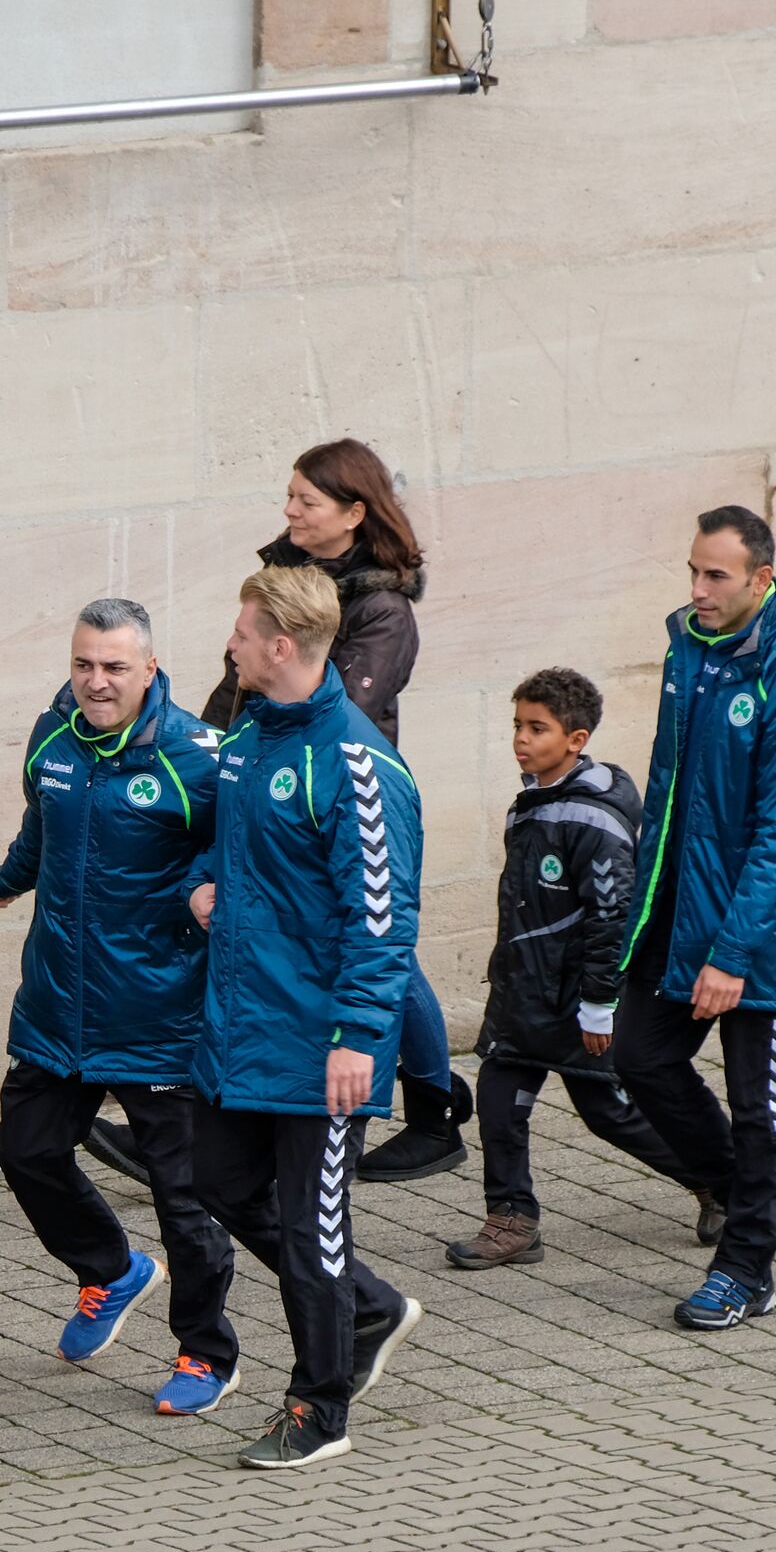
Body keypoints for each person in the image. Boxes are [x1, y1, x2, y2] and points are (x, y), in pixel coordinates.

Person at [92, 439, 474, 1184]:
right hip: (256, 771)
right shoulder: (283, 574)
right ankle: (200, 1118)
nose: (290, 510)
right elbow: (237, 682)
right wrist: (208, 751)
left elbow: (328, 706)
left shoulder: (381, 609)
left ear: (353, 513)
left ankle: (433, 1111)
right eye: (290, 495)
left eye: (307, 499)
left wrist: (254, 762)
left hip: (321, 797)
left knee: (378, 943)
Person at [0, 599, 242, 1414]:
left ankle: (206, 1354)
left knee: (183, 1200)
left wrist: (198, 896)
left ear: (149, 669)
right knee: (26, 1152)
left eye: (114, 667)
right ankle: (110, 1270)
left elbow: (236, 854)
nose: (96, 682)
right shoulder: (52, 735)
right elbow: (43, 823)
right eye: (83, 665)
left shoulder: (198, 758)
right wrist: (8, 878)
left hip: (159, 1015)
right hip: (58, 1006)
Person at [191, 566, 425, 1469]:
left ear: (280, 645)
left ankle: (319, 1408)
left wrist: (357, 1037)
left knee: (312, 1229)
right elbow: (220, 849)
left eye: (241, 633)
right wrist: (199, 887)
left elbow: (381, 920)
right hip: (242, 1030)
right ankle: (369, 1309)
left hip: (323, 1045)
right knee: (220, 1184)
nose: (231, 645)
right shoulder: (248, 737)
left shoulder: (358, 766)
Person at [613, 506, 776, 1332]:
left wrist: (731, 953)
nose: (698, 589)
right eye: (692, 570)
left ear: (761, 579)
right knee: (640, 1058)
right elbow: (669, 797)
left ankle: (745, 1271)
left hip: (761, 937)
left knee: (762, 1109)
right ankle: (747, 1187)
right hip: (678, 914)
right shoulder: (689, 648)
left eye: (715, 575)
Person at [445, 667, 712, 1269]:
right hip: (524, 997)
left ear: (576, 739)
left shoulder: (594, 820)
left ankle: (715, 1180)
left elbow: (611, 918)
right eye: (518, 725)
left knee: (609, 1114)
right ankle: (512, 1220)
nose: (521, 738)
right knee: (499, 1103)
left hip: (576, 1001)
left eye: (537, 728)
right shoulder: (530, 804)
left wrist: (599, 1003)